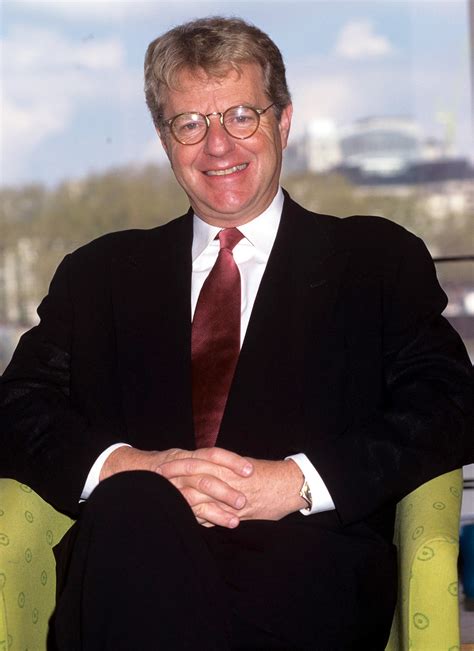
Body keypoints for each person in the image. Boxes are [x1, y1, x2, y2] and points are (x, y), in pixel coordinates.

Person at [1, 16, 473, 651]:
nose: (218, 145)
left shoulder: (374, 260)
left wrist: (296, 483)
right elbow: (16, 407)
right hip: (128, 575)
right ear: (165, 140)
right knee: (132, 506)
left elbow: (449, 404)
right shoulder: (99, 275)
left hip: (304, 581)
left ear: (283, 122)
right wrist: (130, 469)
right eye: (190, 124)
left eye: (241, 116)